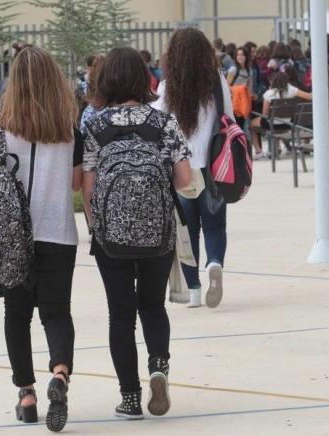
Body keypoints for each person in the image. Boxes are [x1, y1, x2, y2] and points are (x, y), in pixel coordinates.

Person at [82, 46, 191, 419]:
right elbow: (186, 178)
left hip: (111, 236)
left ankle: (129, 398)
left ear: (106, 79)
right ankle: (158, 366)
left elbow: (88, 186)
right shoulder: (164, 122)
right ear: (143, 79)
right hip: (157, 232)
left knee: (120, 315)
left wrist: (96, 226)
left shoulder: (94, 126)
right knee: (152, 305)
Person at [0, 45, 82, 432]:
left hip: (11, 239)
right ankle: (60, 374)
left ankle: (27, 394)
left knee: (17, 315)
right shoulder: (70, 128)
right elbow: (74, 183)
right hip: (58, 232)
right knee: (56, 311)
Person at [153, 27, 234, 309]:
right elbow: (230, 118)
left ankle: (195, 291)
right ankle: (215, 263)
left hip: (181, 170)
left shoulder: (167, 86)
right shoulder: (217, 80)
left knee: (186, 231)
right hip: (213, 167)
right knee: (214, 225)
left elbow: (158, 122)